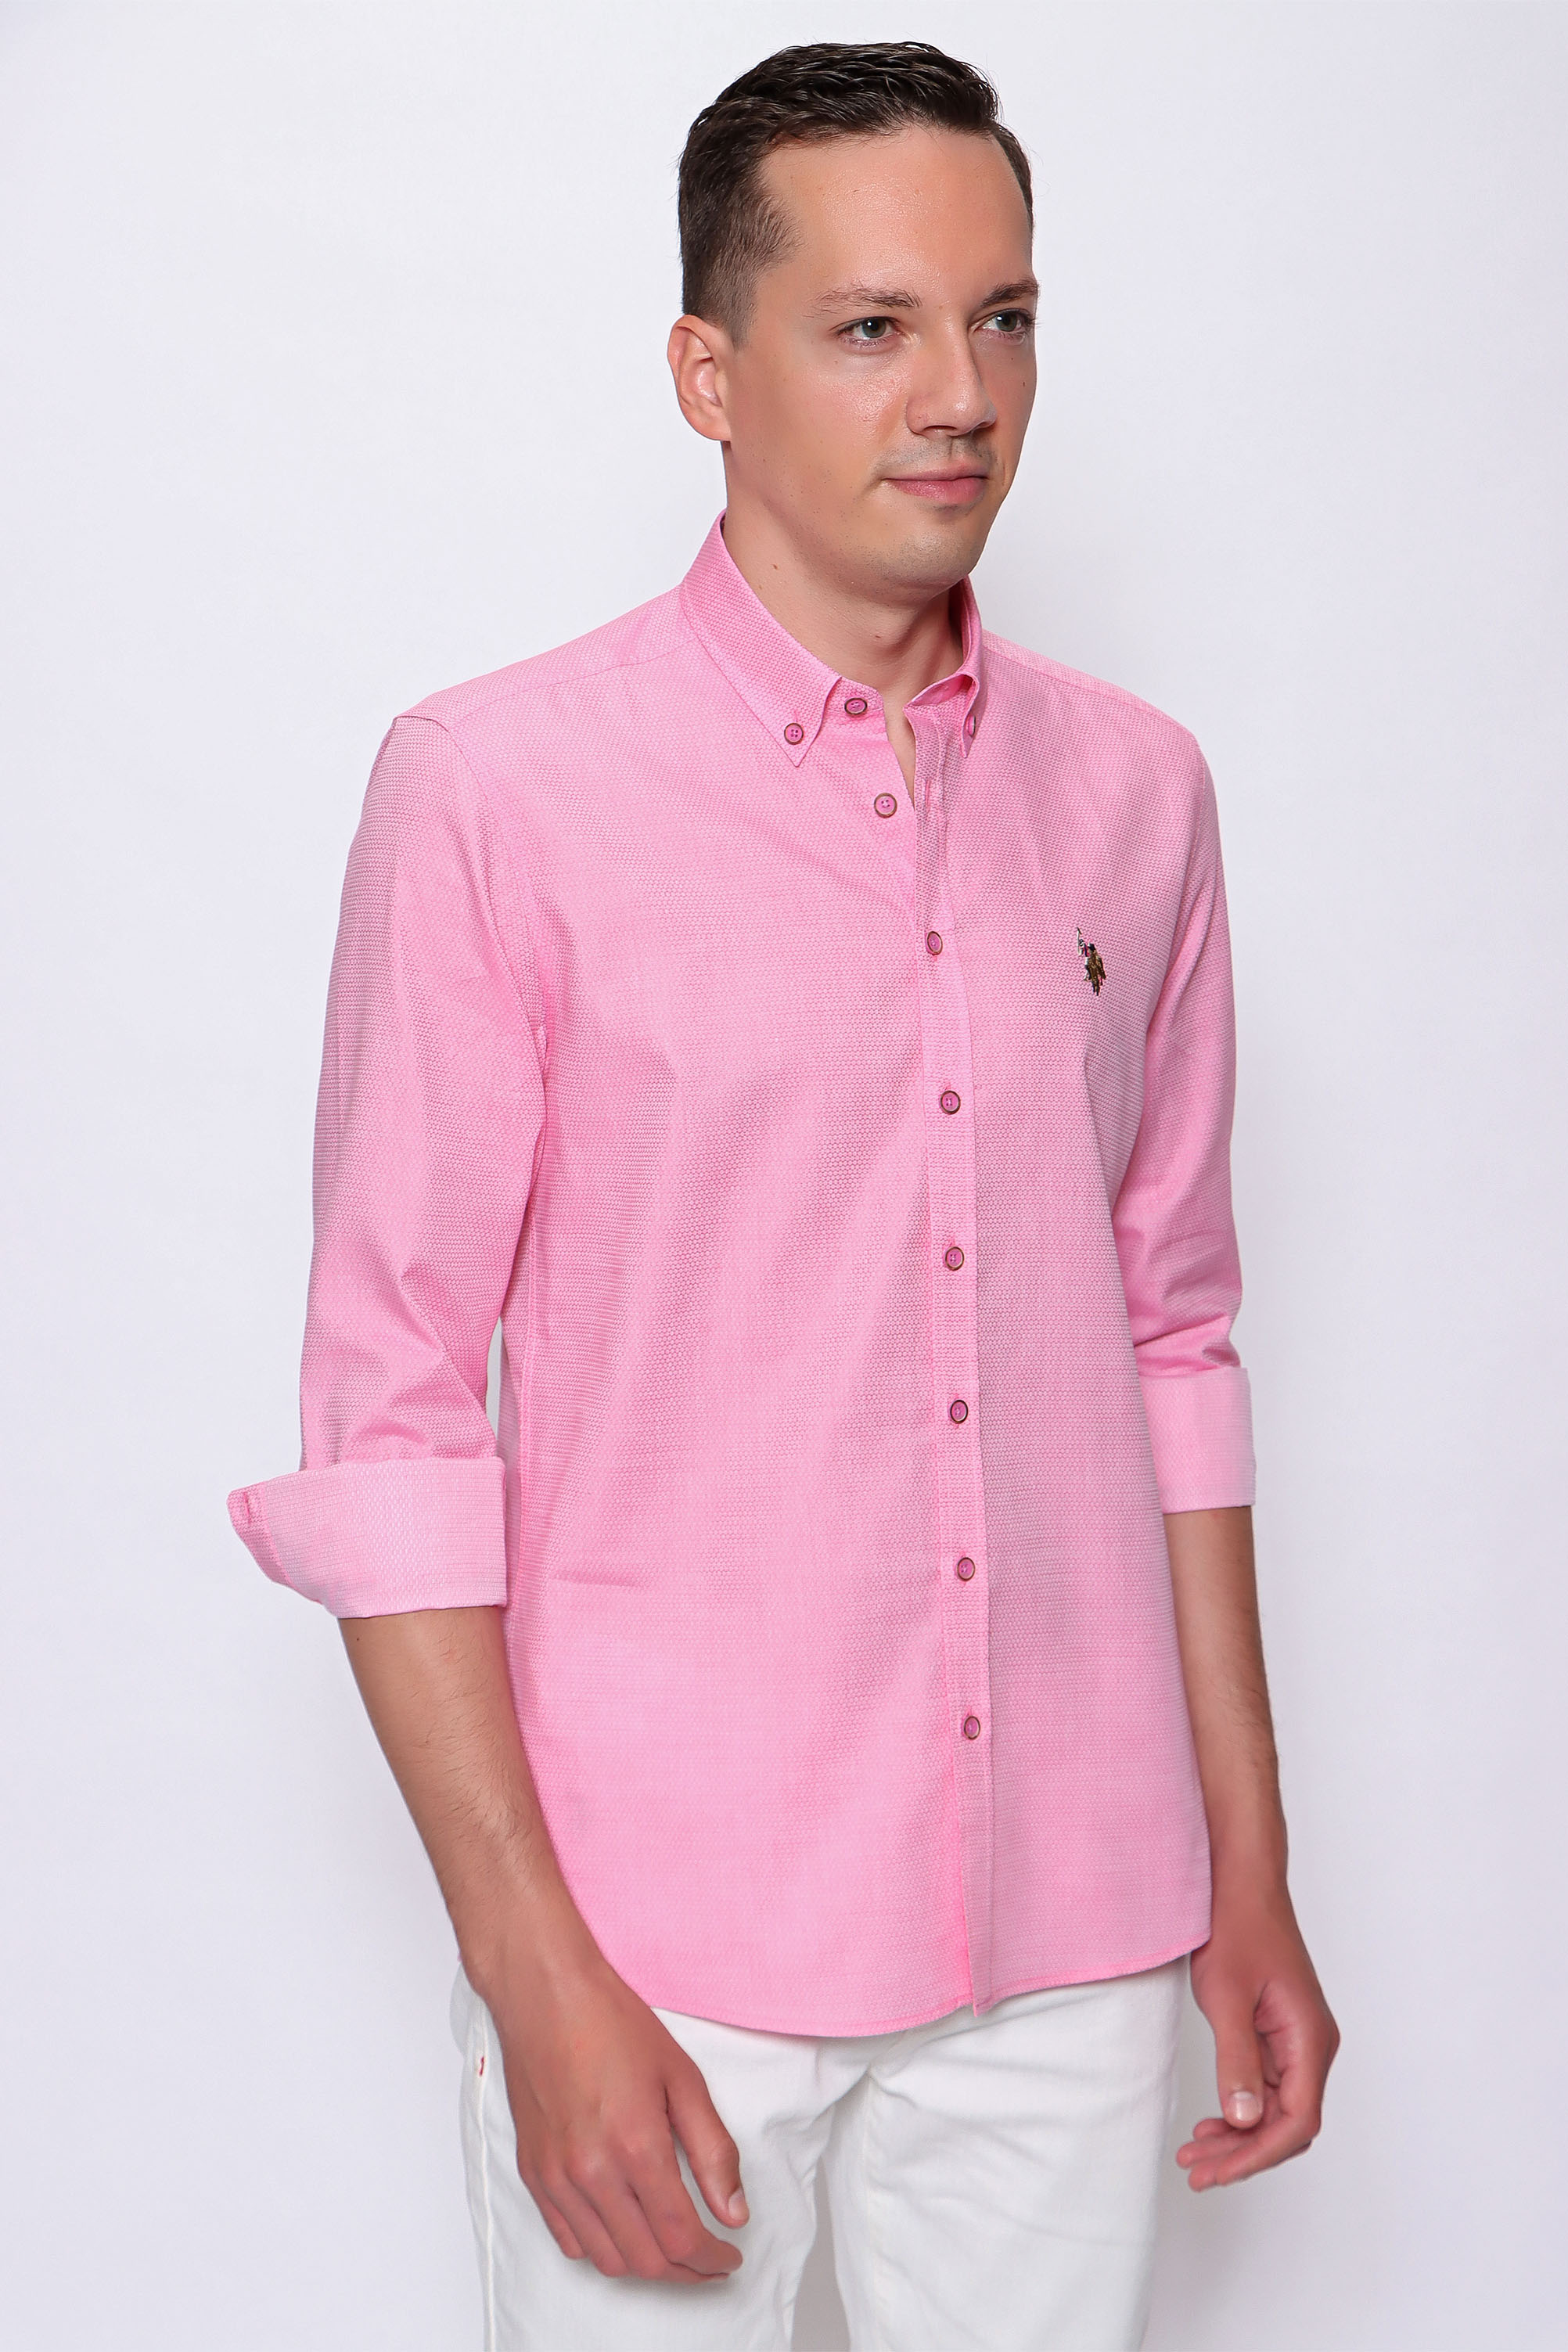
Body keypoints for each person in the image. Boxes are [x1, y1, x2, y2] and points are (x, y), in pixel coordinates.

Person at [228, 39, 1337, 2351]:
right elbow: (394, 1412)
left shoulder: (1139, 794)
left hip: (1076, 1915)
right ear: (707, 376)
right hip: (661, 1940)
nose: (960, 396)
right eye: (871, 327)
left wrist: (1245, 1861)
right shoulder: (497, 792)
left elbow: (1173, 1335)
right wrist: (534, 1975)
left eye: (1003, 318)